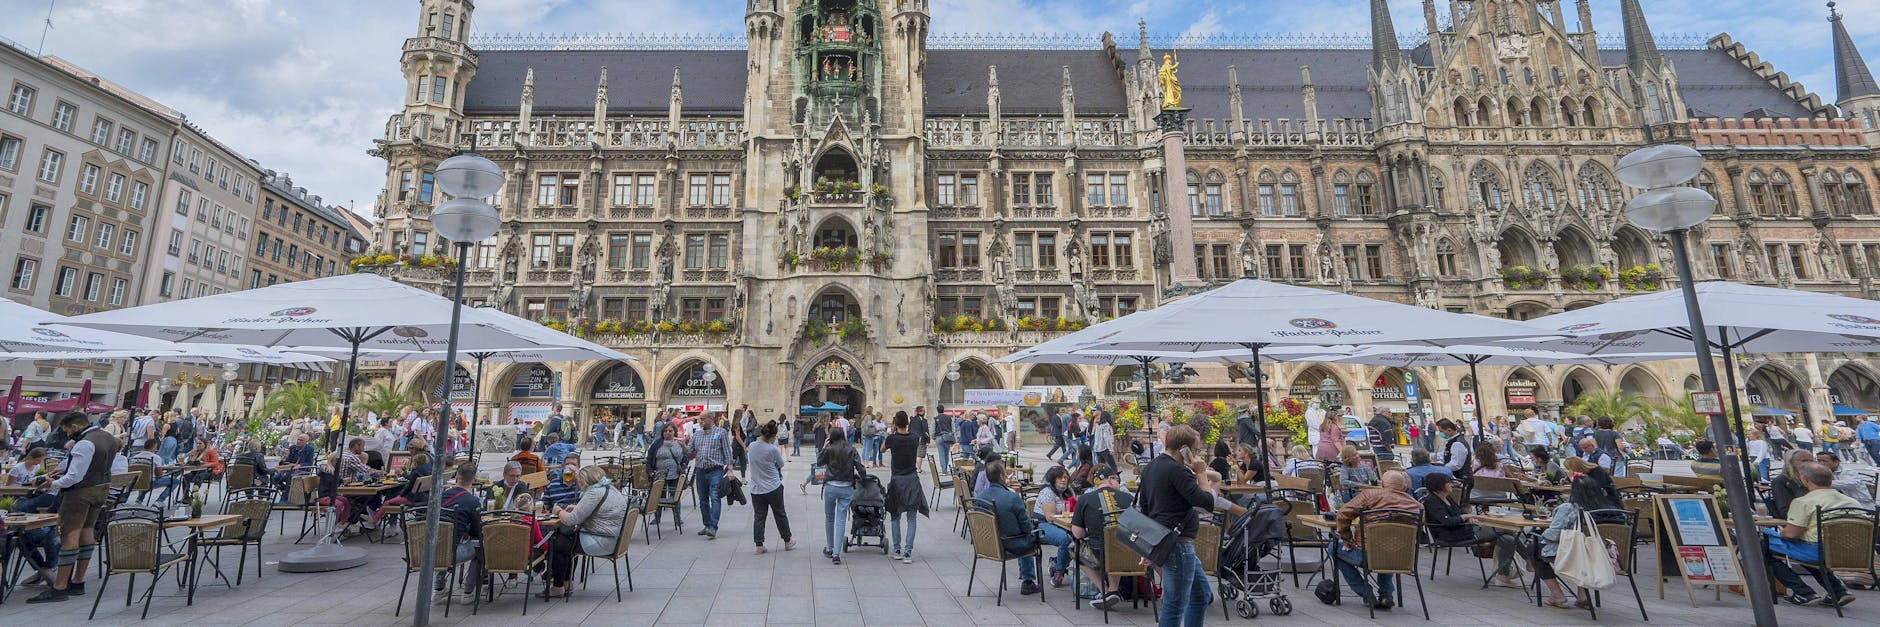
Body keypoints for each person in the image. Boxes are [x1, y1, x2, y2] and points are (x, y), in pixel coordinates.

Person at [25, 412, 119, 603]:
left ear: (75, 427)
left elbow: (74, 477)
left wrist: (52, 483)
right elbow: (94, 465)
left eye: (67, 430)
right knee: (87, 532)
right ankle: (78, 581)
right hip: (101, 489)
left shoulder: (84, 443)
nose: (67, 434)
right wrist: (66, 469)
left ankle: (60, 586)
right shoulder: (108, 437)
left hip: (79, 494)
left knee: (69, 535)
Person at [1135, 424, 1214, 626]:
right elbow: (1207, 502)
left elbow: (1145, 507)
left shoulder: (1152, 466)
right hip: (1178, 544)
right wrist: (1201, 473)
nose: (1197, 454)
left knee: (1200, 595)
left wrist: (1147, 546)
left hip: (1165, 541)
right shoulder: (1178, 471)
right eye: (1195, 449)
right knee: (1175, 605)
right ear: (1184, 449)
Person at [1763, 461, 1858, 608]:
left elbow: (1792, 534)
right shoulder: (1852, 502)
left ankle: (1803, 592)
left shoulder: (1804, 502)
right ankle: (1838, 590)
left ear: (1805, 480)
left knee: (1762, 546)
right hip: (1851, 552)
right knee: (1805, 548)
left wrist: (1780, 532)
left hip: (1818, 552)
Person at [1333, 470, 1422, 610]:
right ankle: (1386, 594)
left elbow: (1343, 514)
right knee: (1390, 546)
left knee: (1333, 548)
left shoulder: (1369, 495)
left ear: (1383, 484)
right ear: (1404, 487)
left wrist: (1347, 539)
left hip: (1368, 556)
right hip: (1402, 558)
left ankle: (1365, 592)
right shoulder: (1417, 506)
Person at [1420, 473, 1525, 588]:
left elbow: (1460, 513)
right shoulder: (1431, 501)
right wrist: (1466, 516)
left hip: (1464, 530)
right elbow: (1447, 521)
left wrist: (1469, 517)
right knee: (1507, 529)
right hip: (1450, 535)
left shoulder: (1447, 497)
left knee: (1508, 539)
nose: (1452, 485)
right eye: (1448, 482)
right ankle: (1529, 559)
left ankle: (1502, 577)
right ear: (1439, 485)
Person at [1533, 473, 1622, 609]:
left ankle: (1557, 595)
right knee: (1583, 546)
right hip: (1606, 555)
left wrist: (1541, 534)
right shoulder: (1611, 509)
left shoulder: (1570, 508)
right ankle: (1583, 596)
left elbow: (1554, 535)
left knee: (1534, 549)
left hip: (1578, 555)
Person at [543, 465, 628, 599]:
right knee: (565, 539)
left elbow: (570, 520)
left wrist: (558, 511)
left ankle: (558, 587)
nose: (579, 484)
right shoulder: (610, 489)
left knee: (558, 542)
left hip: (600, 542)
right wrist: (577, 507)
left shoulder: (594, 493)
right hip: (614, 540)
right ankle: (566, 583)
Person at [1071, 465, 1134, 610]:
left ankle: (1105, 591)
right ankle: (1113, 589)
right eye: (1117, 480)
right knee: (1116, 545)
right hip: (1129, 553)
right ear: (1110, 480)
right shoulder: (1128, 498)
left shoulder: (1085, 499)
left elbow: (1077, 534)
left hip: (1099, 553)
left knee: (1075, 549)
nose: (1119, 483)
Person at [432, 462, 484, 604]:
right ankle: (468, 592)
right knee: (481, 547)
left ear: (456, 477)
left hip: (425, 552)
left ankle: (439, 588)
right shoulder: (472, 501)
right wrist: (467, 532)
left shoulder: (439, 496)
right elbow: (477, 531)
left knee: (444, 541)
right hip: (450, 554)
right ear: (474, 479)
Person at [883, 411, 927, 563]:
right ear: (907, 423)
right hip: (912, 479)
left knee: (895, 515)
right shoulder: (914, 438)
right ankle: (908, 552)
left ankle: (897, 550)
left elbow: (882, 449)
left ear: (895, 423)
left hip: (897, 479)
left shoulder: (892, 439)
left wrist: (891, 431)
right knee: (911, 517)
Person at [817, 429, 864, 564]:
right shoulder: (851, 449)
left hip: (830, 486)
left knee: (829, 517)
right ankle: (836, 553)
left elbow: (819, 462)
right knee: (841, 520)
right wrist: (864, 478)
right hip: (846, 487)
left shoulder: (829, 449)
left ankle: (830, 547)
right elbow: (860, 467)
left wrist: (824, 447)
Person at [748, 421, 794, 554]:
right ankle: (787, 540)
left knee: (759, 516)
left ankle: (759, 545)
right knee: (780, 513)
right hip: (773, 486)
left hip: (756, 488)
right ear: (772, 436)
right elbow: (781, 464)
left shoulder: (752, 446)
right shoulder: (772, 449)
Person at [688, 412, 734, 539]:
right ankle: (707, 524)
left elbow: (727, 451)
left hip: (715, 470)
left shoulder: (721, 432)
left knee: (715, 497)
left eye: (703, 419)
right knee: (703, 499)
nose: (700, 422)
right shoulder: (697, 434)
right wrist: (681, 446)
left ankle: (713, 527)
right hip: (700, 470)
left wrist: (730, 469)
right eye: (699, 419)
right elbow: (689, 450)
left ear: (711, 419)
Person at [1030, 466, 1076, 587]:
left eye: (1065, 477)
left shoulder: (1069, 492)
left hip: (1064, 524)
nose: (1063, 480)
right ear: (1053, 479)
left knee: (1081, 539)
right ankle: (1059, 572)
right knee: (1065, 539)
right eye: (1060, 478)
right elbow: (1050, 517)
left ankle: (1056, 561)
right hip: (1042, 524)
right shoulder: (1047, 492)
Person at [363, 452, 432, 529]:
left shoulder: (416, 473)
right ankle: (380, 518)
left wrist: (401, 494)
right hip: (421, 498)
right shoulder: (426, 471)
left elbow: (408, 487)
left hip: (410, 498)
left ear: (415, 462)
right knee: (391, 498)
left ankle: (373, 521)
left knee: (387, 502)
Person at [1813, 451, 1877, 508]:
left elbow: (1850, 484)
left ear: (1836, 462)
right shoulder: (1822, 473)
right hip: (1838, 505)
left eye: (1824, 461)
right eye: (1818, 461)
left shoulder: (1848, 472)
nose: (1820, 463)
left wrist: (1823, 483)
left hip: (1860, 505)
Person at [1768, 449, 1816, 519]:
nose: (1808, 463)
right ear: (1791, 462)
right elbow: (1784, 511)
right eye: (1804, 461)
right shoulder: (1781, 481)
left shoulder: (1814, 478)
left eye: (1811, 461)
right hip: (1798, 520)